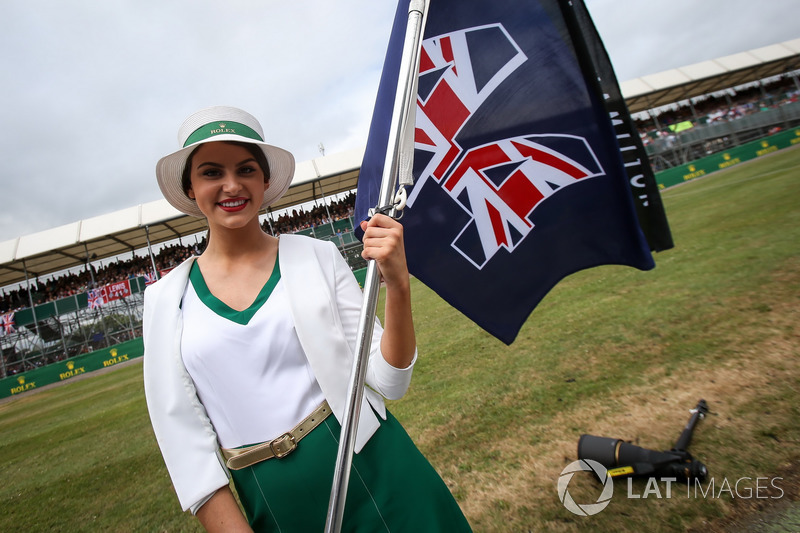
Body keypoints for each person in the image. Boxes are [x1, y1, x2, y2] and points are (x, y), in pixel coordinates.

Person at [143, 106, 471, 532]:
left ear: (264, 181)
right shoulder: (165, 300)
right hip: (275, 502)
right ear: (190, 186)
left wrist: (398, 286)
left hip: (376, 466)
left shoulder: (317, 256)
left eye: (245, 169)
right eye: (210, 172)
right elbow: (186, 450)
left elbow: (390, 381)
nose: (231, 185)